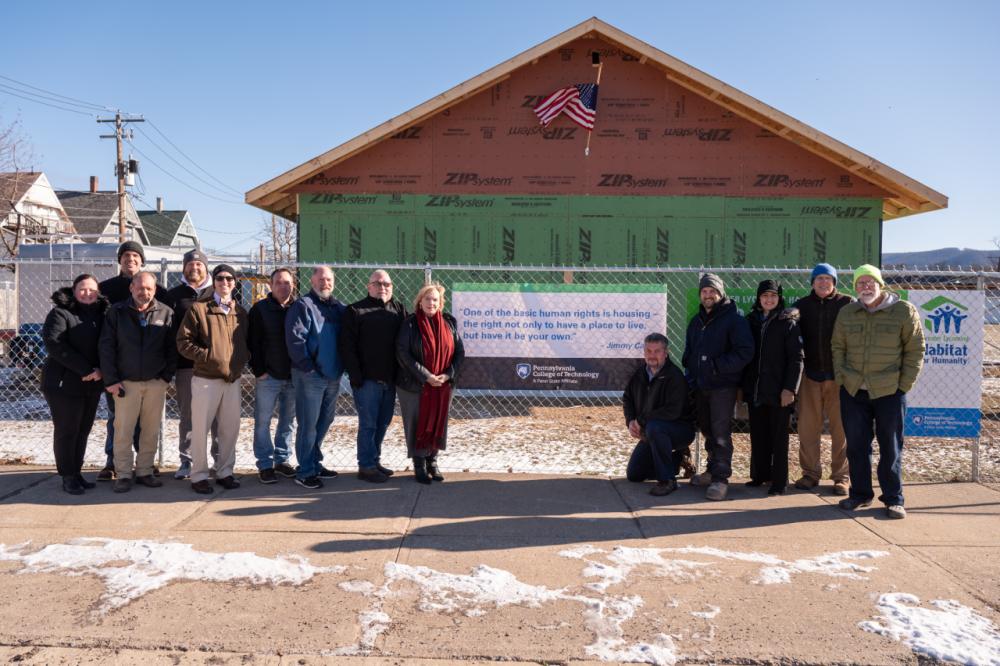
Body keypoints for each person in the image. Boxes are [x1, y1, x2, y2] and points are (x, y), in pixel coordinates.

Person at [832, 265, 924, 520]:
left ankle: (894, 499)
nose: (865, 287)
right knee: (857, 446)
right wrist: (842, 378)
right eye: (860, 283)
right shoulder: (847, 313)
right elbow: (837, 347)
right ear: (855, 288)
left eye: (870, 282)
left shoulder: (903, 311)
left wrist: (903, 385)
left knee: (891, 447)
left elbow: (916, 349)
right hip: (853, 391)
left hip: (889, 392)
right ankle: (860, 494)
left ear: (880, 284)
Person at [96, 241, 169, 481]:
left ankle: (144, 466)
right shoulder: (106, 294)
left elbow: (171, 344)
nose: (131, 259)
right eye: (126, 255)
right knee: (118, 422)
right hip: (120, 372)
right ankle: (114, 463)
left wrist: (165, 375)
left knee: (147, 426)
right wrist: (110, 375)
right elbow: (104, 340)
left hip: (152, 376)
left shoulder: (163, 306)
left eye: (136, 256)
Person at [176, 264, 250, 494]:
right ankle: (198, 475)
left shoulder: (240, 312)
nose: (224, 282)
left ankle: (225, 471)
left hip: (232, 380)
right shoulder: (199, 309)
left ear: (235, 283)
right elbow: (183, 342)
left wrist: (241, 360)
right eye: (220, 278)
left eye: (229, 279)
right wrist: (207, 356)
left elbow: (246, 342)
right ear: (214, 281)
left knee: (229, 429)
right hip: (206, 379)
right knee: (200, 429)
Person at [681, 272, 754, 501]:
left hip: (723, 386)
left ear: (721, 293)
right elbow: (689, 353)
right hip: (701, 385)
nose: (708, 295)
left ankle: (721, 480)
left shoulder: (734, 320)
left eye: (712, 291)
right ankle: (712, 470)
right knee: (707, 430)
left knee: (721, 432)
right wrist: (692, 368)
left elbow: (745, 352)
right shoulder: (696, 321)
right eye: (704, 291)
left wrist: (716, 366)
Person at [40, 274, 110, 495]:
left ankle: (76, 472)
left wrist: (100, 371)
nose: (87, 293)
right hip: (63, 384)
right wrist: (86, 370)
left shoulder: (102, 314)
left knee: (83, 430)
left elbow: (106, 345)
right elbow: (55, 344)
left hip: (91, 385)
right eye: (82, 289)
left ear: (98, 292)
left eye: (92, 290)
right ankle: (67, 475)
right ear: (74, 290)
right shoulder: (60, 313)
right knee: (67, 430)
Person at [791, 263, 854, 495]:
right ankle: (810, 473)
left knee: (842, 430)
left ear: (834, 282)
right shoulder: (801, 306)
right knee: (808, 428)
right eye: (819, 279)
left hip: (839, 377)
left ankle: (842, 477)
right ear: (812, 282)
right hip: (810, 375)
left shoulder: (847, 304)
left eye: (828, 279)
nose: (824, 283)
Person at [340, 269, 407, 483]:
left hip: (391, 380)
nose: (382, 287)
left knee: (383, 422)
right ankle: (366, 466)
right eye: (377, 283)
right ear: (368, 287)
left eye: (386, 284)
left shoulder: (398, 310)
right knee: (368, 424)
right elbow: (347, 346)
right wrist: (355, 376)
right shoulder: (355, 310)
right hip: (366, 380)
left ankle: (374, 460)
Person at [395, 282, 464, 484]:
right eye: (427, 298)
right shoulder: (409, 323)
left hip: (443, 385)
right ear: (420, 301)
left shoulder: (450, 323)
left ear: (441, 302)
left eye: (435, 299)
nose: (431, 302)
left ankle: (432, 461)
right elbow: (402, 353)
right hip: (415, 384)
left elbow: (459, 352)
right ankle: (419, 463)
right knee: (417, 422)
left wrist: (447, 374)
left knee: (438, 421)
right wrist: (426, 376)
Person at [285, 266, 346, 490]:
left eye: (329, 279)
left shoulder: (338, 307)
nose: (325, 283)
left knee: (325, 420)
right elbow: (295, 339)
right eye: (321, 279)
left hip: (333, 376)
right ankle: (305, 471)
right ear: (312, 281)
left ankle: (314, 462)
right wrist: (308, 368)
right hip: (309, 375)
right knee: (308, 424)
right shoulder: (302, 306)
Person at [741, 280, 803, 496]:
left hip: (779, 391)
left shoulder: (787, 323)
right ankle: (759, 476)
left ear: (779, 299)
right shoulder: (750, 321)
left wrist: (790, 389)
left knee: (779, 438)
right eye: (765, 296)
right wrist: (744, 386)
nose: (769, 300)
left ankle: (779, 482)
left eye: (773, 296)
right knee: (758, 435)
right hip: (756, 390)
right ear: (758, 299)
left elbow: (797, 359)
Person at [163, 248, 218, 480]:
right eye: (190, 265)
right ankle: (187, 461)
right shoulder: (173, 295)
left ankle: (218, 460)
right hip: (186, 366)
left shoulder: (218, 292)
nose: (194, 268)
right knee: (188, 415)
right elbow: (167, 332)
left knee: (215, 415)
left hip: (214, 367)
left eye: (199, 265)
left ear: (206, 268)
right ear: (184, 268)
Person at [623, 333, 696, 496]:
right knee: (634, 474)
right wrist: (630, 421)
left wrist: (641, 421)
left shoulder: (674, 376)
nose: (652, 355)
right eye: (648, 351)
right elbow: (627, 398)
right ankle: (677, 460)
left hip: (680, 430)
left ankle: (667, 480)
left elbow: (673, 411)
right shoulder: (640, 374)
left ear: (666, 353)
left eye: (657, 351)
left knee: (655, 427)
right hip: (652, 431)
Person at [248, 267, 298, 484]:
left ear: (293, 285)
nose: (283, 286)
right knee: (263, 421)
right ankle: (265, 463)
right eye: (278, 282)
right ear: (271, 285)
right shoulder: (260, 310)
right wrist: (259, 370)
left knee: (288, 421)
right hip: (268, 377)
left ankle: (282, 460)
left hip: (294, 377)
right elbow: (252, 342)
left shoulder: (299, 307)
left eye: (287, 282)